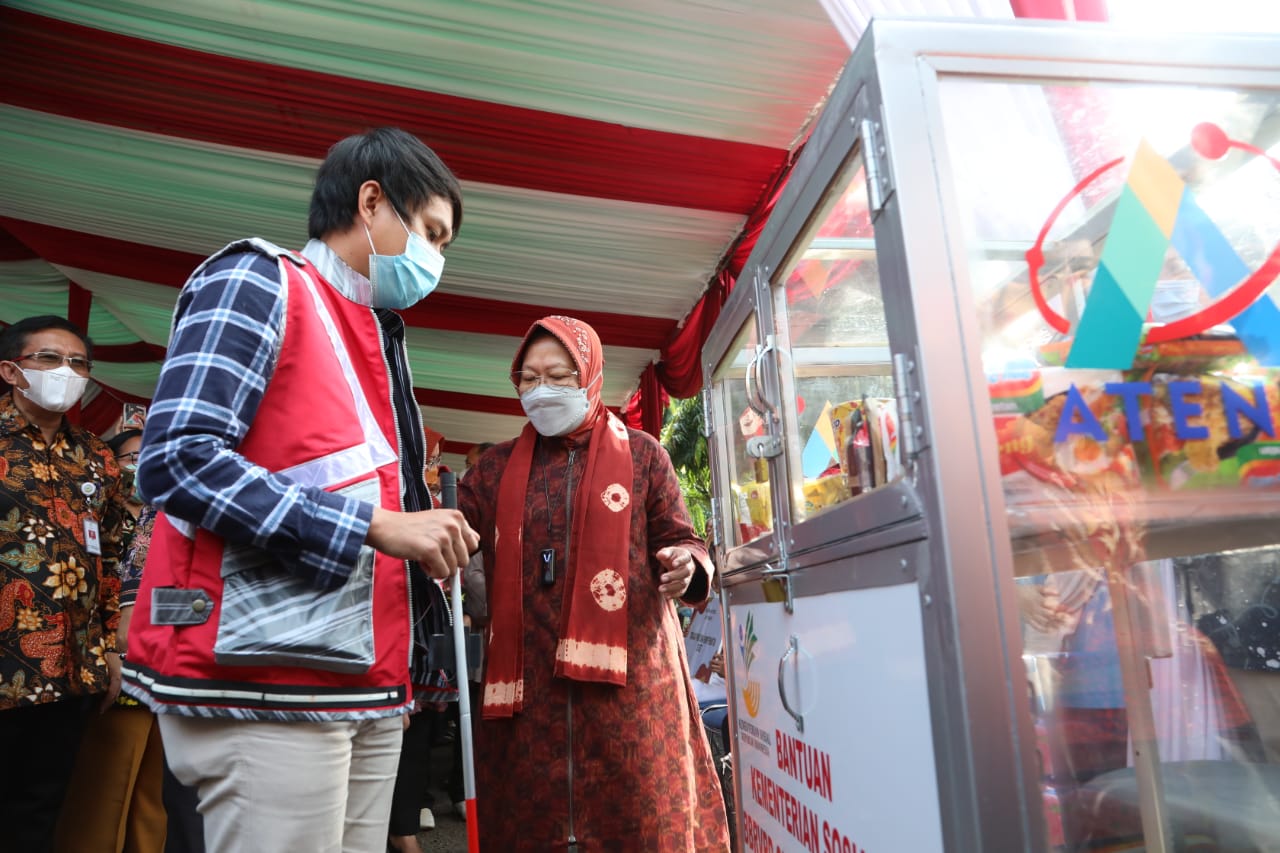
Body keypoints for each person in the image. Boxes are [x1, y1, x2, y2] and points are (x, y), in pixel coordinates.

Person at [120, 127, 479, 853]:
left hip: (363, 683)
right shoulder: (259, 280)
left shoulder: (377, 335)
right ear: (372, 202)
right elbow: (175, 458)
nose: (435, 261)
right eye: (431, 234)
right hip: (262, 679)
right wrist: (374, 525)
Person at [458, 315, 730, 850]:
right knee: (528, 825)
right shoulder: (492, 469)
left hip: (632, 689)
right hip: (527, 694)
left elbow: (686, 539)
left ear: (590, 375)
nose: (542, 391)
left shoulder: (645, 455)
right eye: (529, 379)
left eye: (559, 376)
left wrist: (686, 564)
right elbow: (449, 536)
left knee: (642, 823)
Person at [0, 315, 129, 852]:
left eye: (78, 363)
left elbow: (111, 561)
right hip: (5, 657)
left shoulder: (97, 457)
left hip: (70, 667)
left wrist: (111, 650)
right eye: (49, 359)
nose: (66, 371)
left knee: (40, 805)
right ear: (11, 370)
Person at [54, 427, 170, 853]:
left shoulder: (165, 512)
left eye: (149, 454)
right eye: (131, 458)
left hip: (164, 669)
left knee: (149, 798)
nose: (141, 465)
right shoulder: (96, 516)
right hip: (117, 662)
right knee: (105, 794)